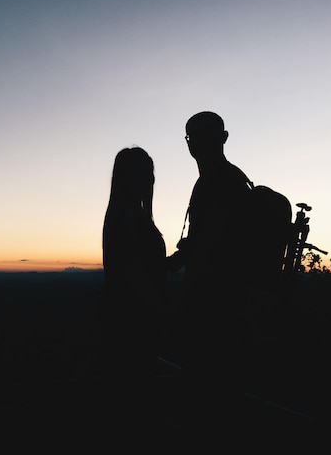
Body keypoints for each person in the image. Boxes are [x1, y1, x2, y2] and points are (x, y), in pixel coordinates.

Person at [167, 111, 252, 392]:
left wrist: (180, 276)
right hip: (226, 296)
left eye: (204, 136)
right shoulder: (225, 179)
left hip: (216, 300)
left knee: (207, 379)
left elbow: (208, 242)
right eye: (192, 137)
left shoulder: (221, 181)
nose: (196, 144)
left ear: (223, 138)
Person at [100, 147, 167, 382]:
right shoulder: (126, 216)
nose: (147, 179)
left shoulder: (129, 215)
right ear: (124, 178)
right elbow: (134, 274)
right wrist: (165, 311)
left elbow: (146, 267)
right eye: (139, 173)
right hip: (133, 326)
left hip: (131, 323)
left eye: (148, 172)